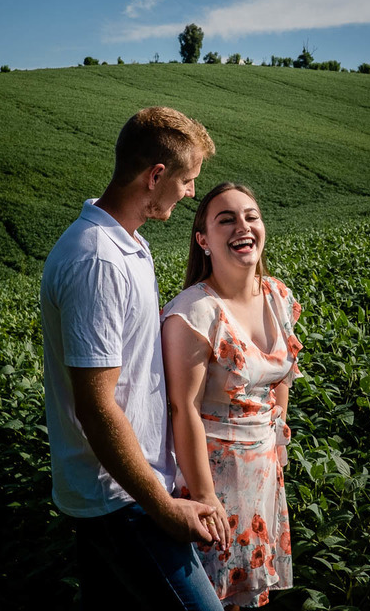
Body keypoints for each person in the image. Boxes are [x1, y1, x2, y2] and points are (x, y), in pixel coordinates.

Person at [40, 106, 225, 610]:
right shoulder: (97, 260)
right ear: (156, 176)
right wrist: (162, 507)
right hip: (122, 499)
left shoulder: (127, 245)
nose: (191, 192)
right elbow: (96, 406)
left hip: (124, 491)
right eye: (186, 180)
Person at [161, 182, 302, 609]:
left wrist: (274, 433)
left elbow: (282, 374)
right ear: (203, 240)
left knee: (247, 598)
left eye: (250, 216)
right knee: (212, 597)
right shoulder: (195, 312)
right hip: (214, 483)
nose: (243, 226)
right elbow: (182, 408)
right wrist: (205, 499)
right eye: (226, 220)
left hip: (263, 475)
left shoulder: (278, 296)